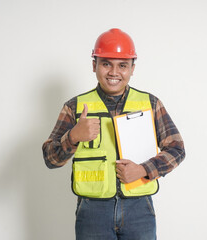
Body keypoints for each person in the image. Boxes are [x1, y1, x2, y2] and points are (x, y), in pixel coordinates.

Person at [42, 28, 185, 240]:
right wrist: (73, 137)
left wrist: (143, 170)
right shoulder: (75, 107)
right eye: (106, 63)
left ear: (132, 68)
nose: (114, 72)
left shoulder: (150, 104)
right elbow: (50, 159)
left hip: (139, 209)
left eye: (122, 65)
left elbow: (177, 148)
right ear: (94, 65)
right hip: (92, 211)